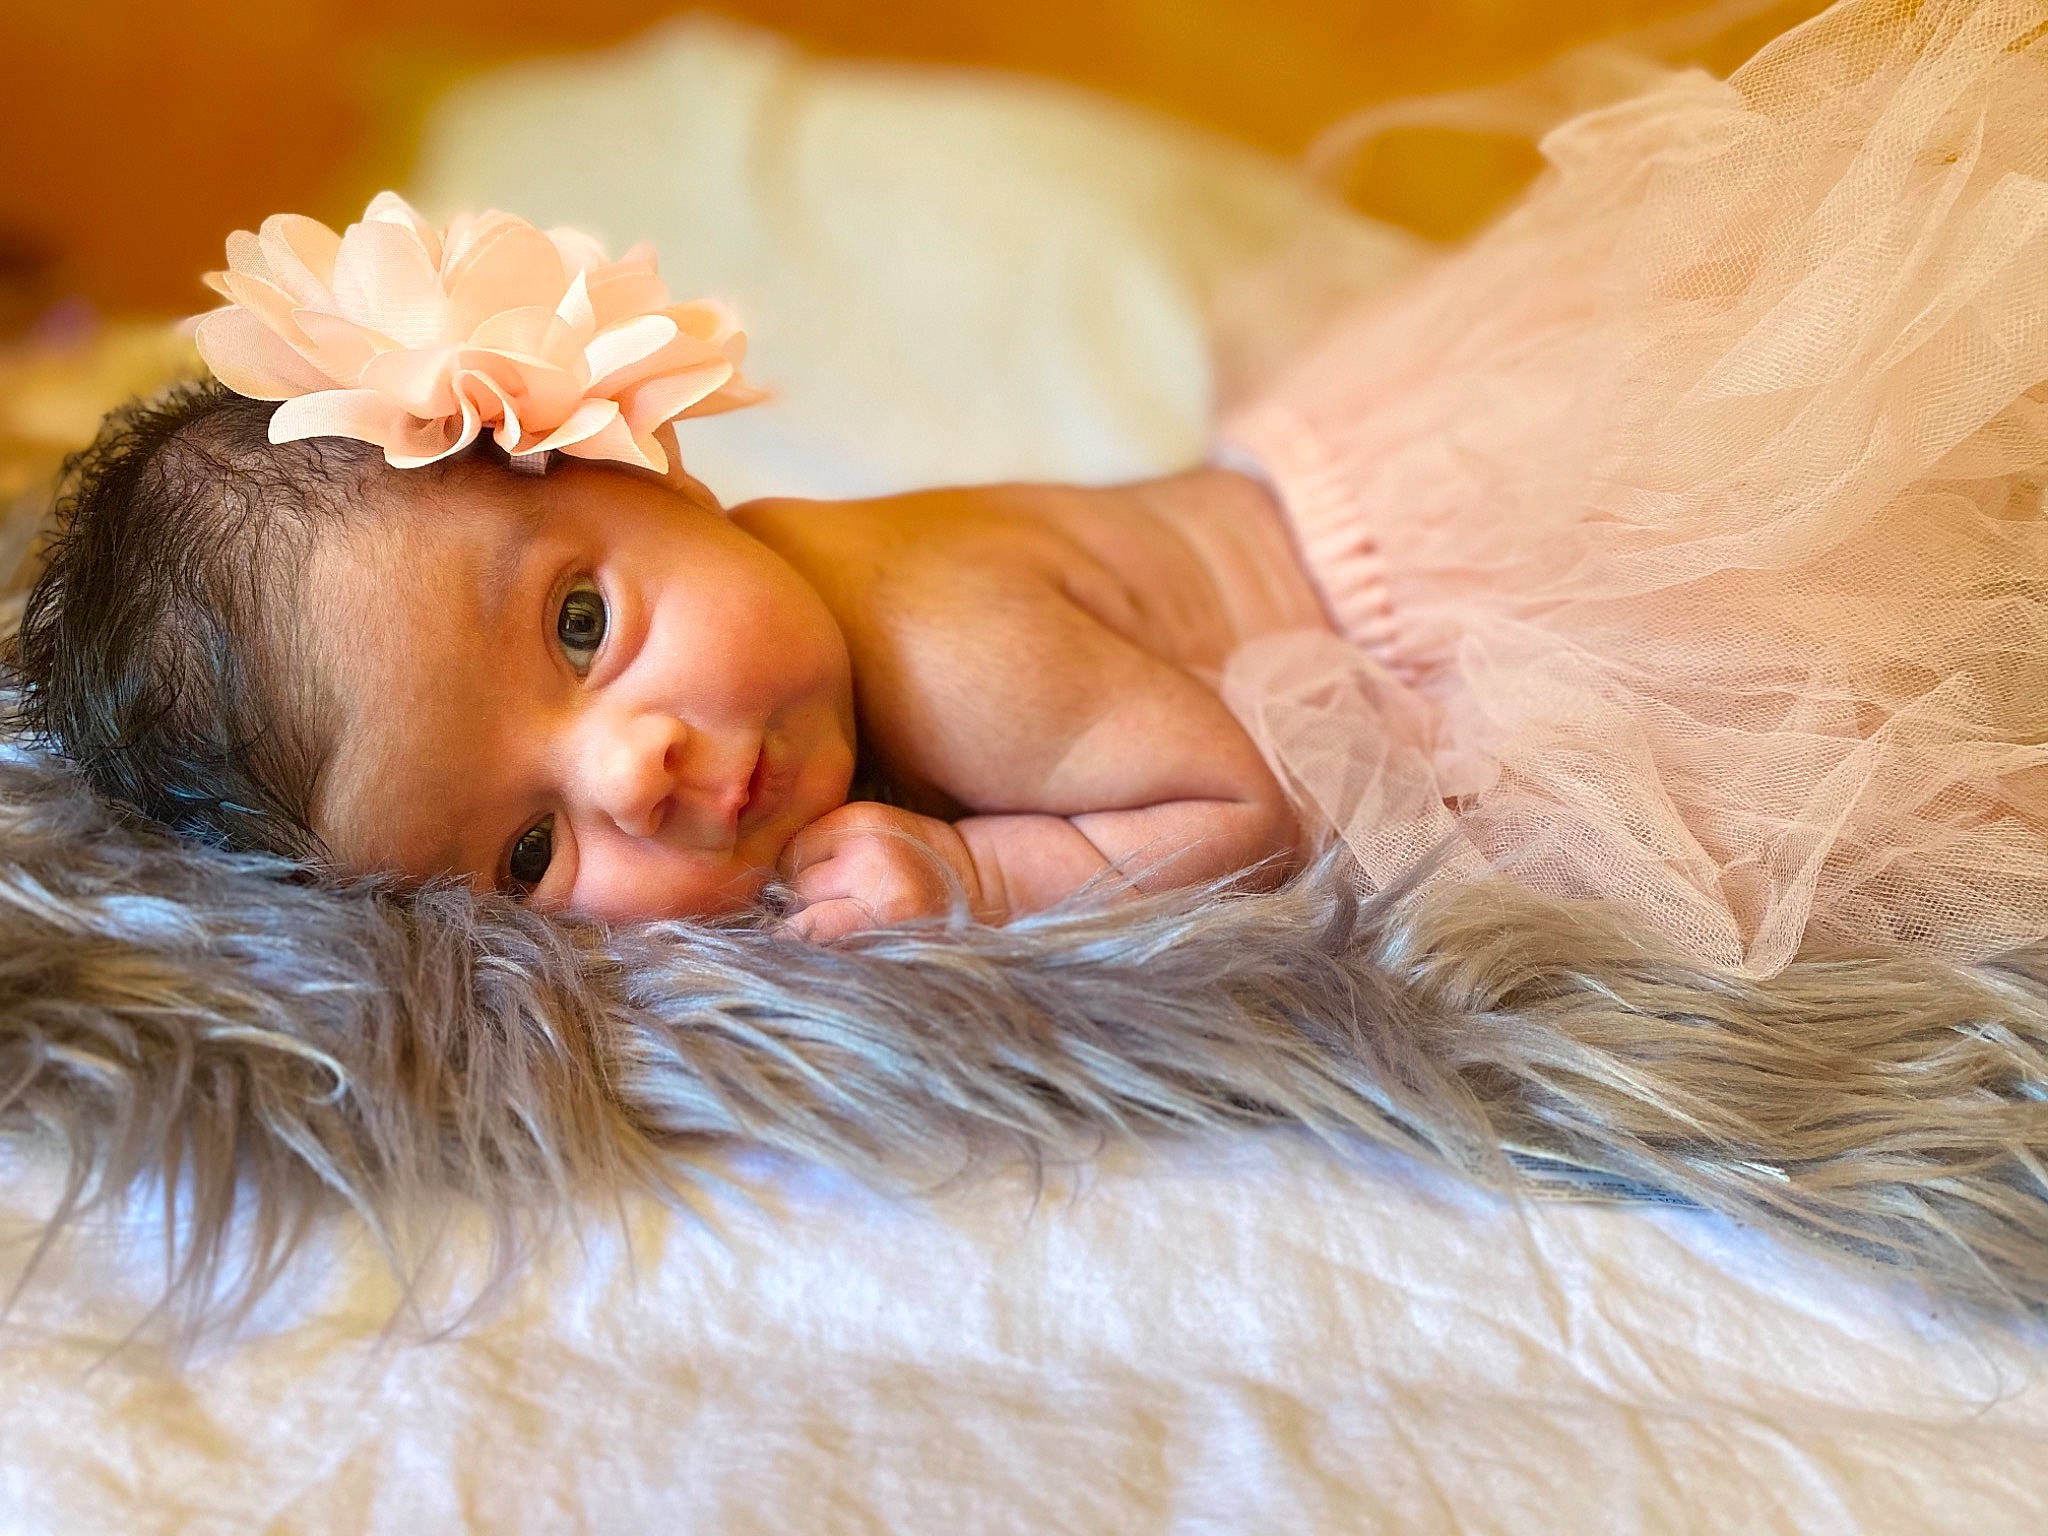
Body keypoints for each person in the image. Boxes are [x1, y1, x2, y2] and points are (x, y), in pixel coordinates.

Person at [11, 0, 2047, 973]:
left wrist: (984, 880)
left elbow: (1243, 809)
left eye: (575, 627)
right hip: (1356, 484)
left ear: (639, 457)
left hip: (1467, 575)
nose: (630, 776)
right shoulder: (784, 654)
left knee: (1921, 661)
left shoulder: (945, 648)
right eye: (529, 860)